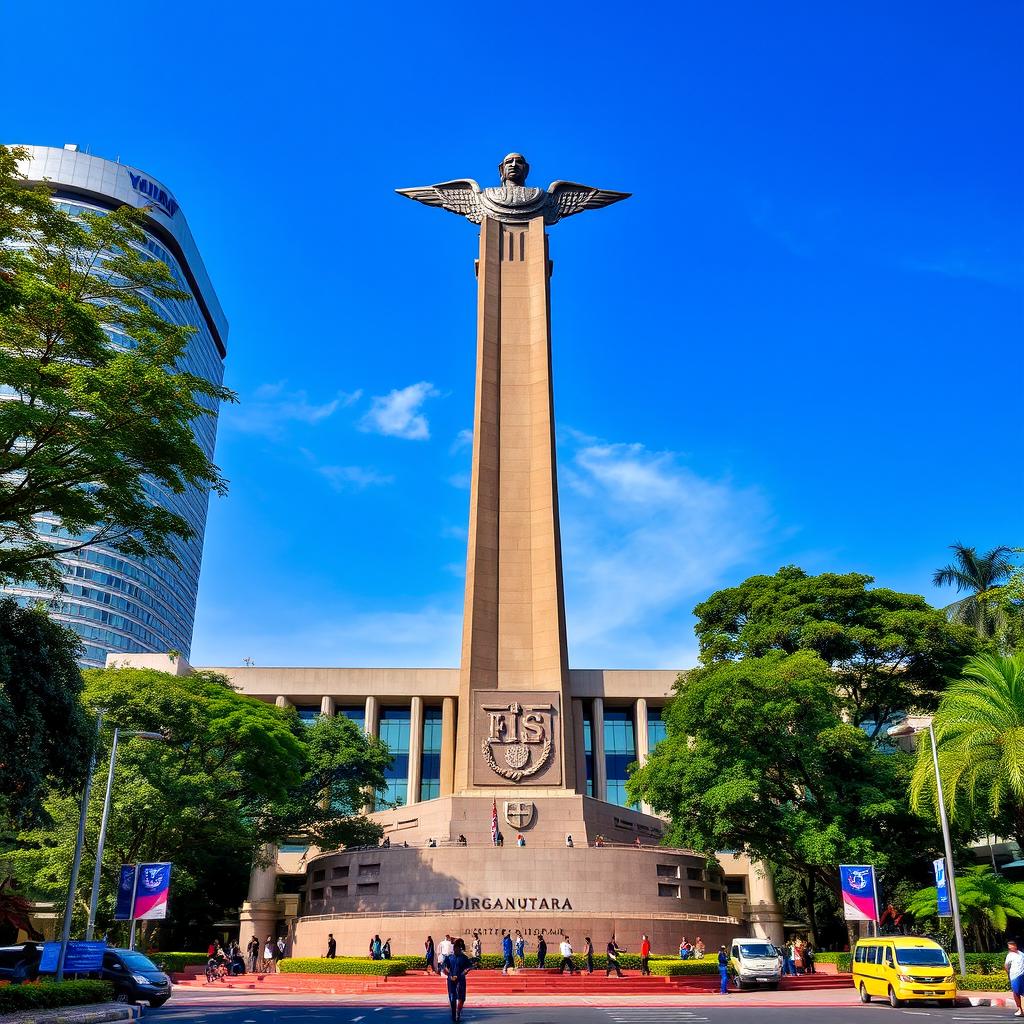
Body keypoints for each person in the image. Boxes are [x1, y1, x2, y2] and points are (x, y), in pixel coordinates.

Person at [442, 936, 476, 1023]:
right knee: (452, 998)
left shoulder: (464, 958)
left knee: (461, 998)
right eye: (455, 948)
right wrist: (448, 973)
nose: (456, 949)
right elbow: (444, 967)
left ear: (460, 948)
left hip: (461, 980)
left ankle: (458, 1012)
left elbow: (469, 967)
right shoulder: (449, 957)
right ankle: (454, 1015)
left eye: (458, 948)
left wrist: (465, 972)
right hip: (451, 980)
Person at [1005, 938, 1024, 1017]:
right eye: (1009, 946)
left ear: (1015, 946)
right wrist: (1008, 974)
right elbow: (1006, 966)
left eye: (1011, 946)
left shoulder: (1022, 954)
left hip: (1022, 975)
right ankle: (1020, 1009)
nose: (1010, 948)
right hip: (1014, 976)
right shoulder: (1009, 955)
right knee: (1016, 992)